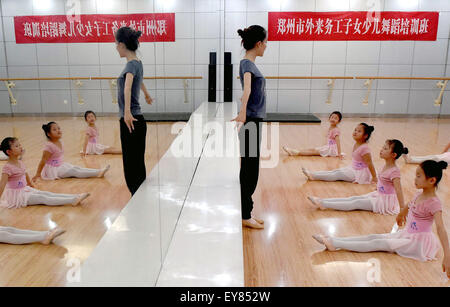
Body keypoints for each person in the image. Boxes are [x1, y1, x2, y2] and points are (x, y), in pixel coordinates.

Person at [312, 160, 450, 279]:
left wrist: (447, 256)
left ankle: (334, 243)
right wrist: (401, 214)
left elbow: (441, 229)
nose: (415, 179)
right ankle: (333, 241)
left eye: (419, 176)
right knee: (374, 236)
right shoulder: (419, 193)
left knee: (378, 242)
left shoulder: (434, 203)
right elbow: (410, 204)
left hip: (417, 243)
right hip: (407, 234)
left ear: (432, 180)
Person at [307, 140, 407, 215]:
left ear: (393, 155)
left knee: (356, 203)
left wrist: (402, 209)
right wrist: (377, 187)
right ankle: (322, 201)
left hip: (384, 202)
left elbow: (398, 190)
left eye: (385, 149)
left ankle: (324, 204)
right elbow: (385, 183)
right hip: (378, 195)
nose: (381, 150)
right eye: (383, 147)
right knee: (354, 198)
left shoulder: (395, 171)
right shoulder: (385, 166)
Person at [232, 25, 267, 229]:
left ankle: (247, 210)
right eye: (265, 43)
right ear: (258, 43)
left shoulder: (249, 64)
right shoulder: (247, 64)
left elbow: (248, 90)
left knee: (250, 167)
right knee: (249, 170)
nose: (266, 46)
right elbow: (247, 89)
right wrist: (243, 112)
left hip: (253, 120)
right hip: (251, 121)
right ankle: (245, 214)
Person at [115, 26, 153, 195]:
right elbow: (140, 81)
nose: (116, 47)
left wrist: (127, 112)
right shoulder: (137, 63)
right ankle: (139, 198)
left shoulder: (131, 65)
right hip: (136, 120)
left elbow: (128, 87)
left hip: (131, 121)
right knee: (136, 162)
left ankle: (137, 197)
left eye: (116, 44)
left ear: (122, 45)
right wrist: (146, 94)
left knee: (131, 164)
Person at [1, 137, 90, 209]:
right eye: (17, 146)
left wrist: (30, 185)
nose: (20, 147)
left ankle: (74, 196)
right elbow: (2, 185)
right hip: (17, 197)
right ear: (9, 152)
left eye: (20, 145)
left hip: (24, 190)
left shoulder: (20, 162)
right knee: (42, 198)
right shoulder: (7, 168)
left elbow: (25, 174)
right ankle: (72, 200)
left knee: (46, 193)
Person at [302, 123, 377, 185]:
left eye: (359, 131)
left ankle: (313, 176)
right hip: (353, 168)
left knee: (337, 174)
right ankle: (313, 174)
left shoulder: (365, 148)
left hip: (359, 173)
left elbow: (370, 163)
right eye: (355, 130)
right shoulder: (357, 144)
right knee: (335, 171)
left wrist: (374, 177)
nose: (355, 132)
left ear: (365, 135)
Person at [33, 122, 110, 181]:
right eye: (54, 129)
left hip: (60, 165)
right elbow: (43, 160)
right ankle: (97, 173)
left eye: (59, 128)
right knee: (74, 171)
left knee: (76, 168)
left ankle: (99, 171)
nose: (58, 131)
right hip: (53, 170)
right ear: (48, 134)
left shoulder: (60, 142)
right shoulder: (48, 146)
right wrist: (38, 174)